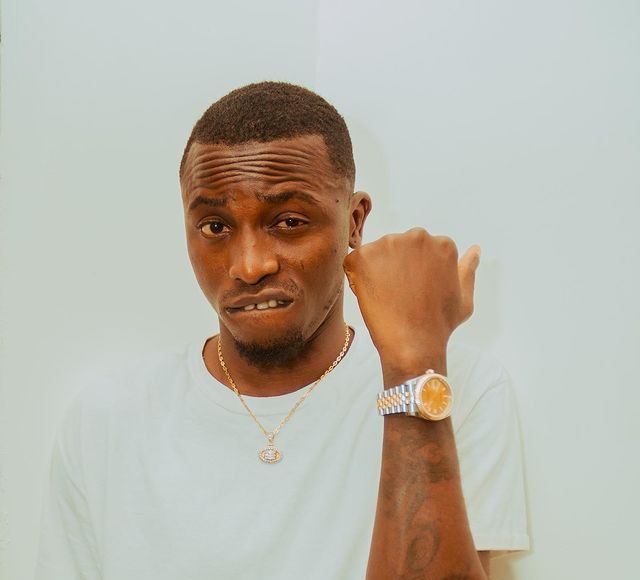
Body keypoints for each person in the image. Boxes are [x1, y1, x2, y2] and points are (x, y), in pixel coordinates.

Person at [35, 81, 529, 579]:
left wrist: (412, 365)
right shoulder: (107, 419)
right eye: (214, 226)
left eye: (289, 222)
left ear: (354, 221)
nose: (250, 266)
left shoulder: (452, 387)